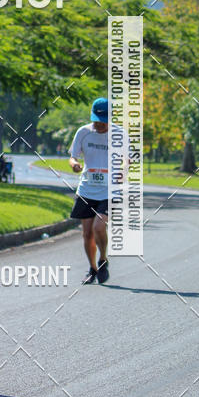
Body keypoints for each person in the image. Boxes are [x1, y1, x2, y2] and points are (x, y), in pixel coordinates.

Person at [68, 97, 114, 285]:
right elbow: (73, 156)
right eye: (96, 120)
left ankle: (103, 259)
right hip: (87, 189)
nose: (99, 125)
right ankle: (92, 269)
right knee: (87, 234)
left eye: (103, 121)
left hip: (108, 191)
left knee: (98, 227)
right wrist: (75, 164)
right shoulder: (84, 132)